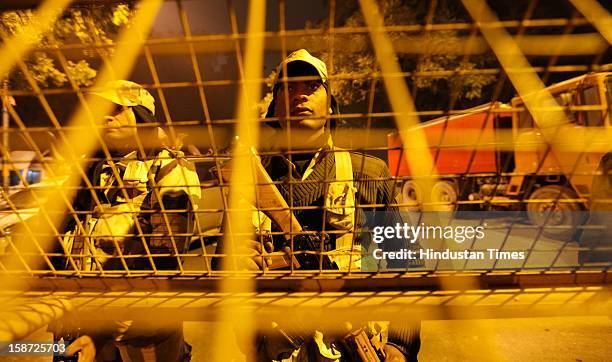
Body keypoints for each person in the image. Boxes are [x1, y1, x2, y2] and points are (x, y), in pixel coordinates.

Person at [218, 50, 421, 361]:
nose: (300, 95)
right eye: (288, 88)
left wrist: (399, 346)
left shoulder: (366, 172)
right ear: (275, 108)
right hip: (276, 347)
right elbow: (221, 271)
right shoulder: (248, 181)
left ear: (331, 104)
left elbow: (405, 265)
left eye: (312, 86)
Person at [50, 80, 201, 362]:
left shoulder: (166, 165)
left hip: (139, 324)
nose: (104, 116)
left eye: (116, 108)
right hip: (80, 314)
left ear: (140, 114)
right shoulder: (88, 169)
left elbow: (167, 247)